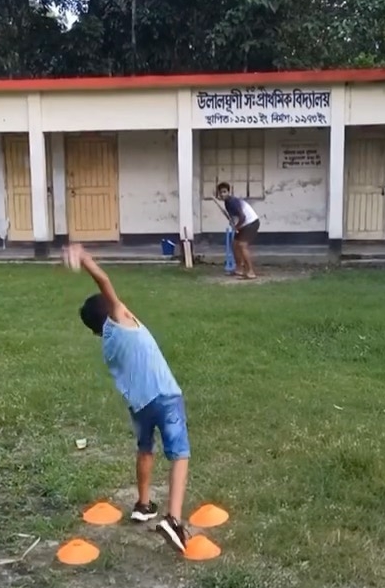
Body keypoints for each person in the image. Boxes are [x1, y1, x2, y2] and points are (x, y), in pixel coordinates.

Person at [63, 244, 189, 554]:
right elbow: (104, 282)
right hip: (166, 396)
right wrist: (86, 259)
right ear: (110, 309)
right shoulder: (120, 320)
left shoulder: (109, 342)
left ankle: (143, 504)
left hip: (140, 406)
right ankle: (173, 519)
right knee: (180, 454)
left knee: (145, 448)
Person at [217, 182, 259, 279]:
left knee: (242, 245)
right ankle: (239, 269)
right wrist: (234, 223)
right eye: (221, 192)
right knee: (235, 245)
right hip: (243, 224)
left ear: (228, 192)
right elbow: (234, 217)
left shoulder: (233, 201)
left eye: (224, 192)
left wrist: (238, 226)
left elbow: (242, 216)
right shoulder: (227, 202)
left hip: (251, 223)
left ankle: (251, 272)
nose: (223, 194)